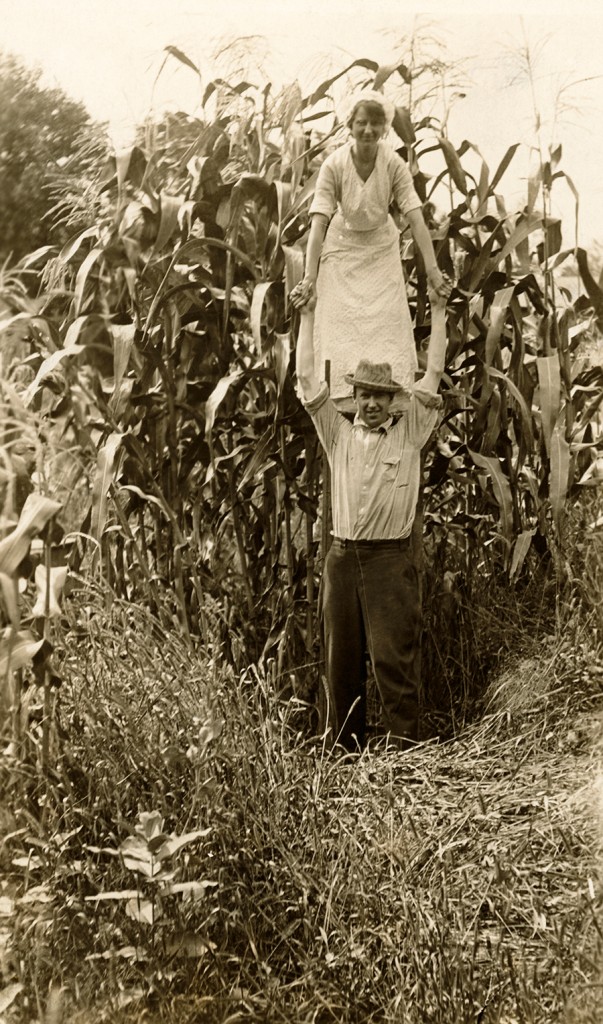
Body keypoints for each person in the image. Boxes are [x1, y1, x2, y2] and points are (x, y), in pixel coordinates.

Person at [292, 280, 451, 752]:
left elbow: (433, 374)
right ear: (356, 395)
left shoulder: (410, 435)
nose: (373, 403)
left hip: (389, 562)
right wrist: (307, 316)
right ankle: (344, 760)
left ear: (392, 400)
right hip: (342, 560)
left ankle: (406, 759)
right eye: (366, 394)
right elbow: (306, 382)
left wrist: (439, 312)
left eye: (382, 396)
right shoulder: (336, 435)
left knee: (394, 662)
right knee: (341, 665)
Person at [293, 89, 448, 406]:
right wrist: (309, 277)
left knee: (386, 326)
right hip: (341, 251)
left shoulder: (393, 165)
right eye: (361, 123)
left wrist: (433, 272)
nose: (368, 130)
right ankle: (342, 407)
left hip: (381, 250)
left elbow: (416, 219)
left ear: (385, 128)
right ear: (350, 125)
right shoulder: (334, 165)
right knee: (339, 330)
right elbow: (319, 222)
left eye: (375, 124)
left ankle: (384, 409)